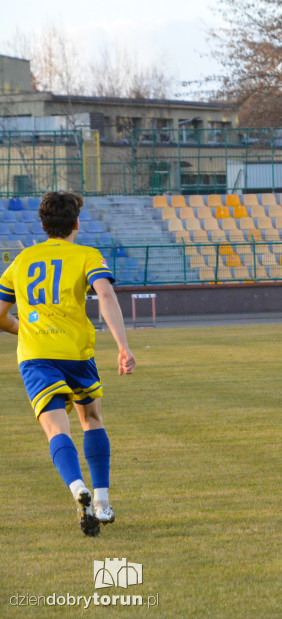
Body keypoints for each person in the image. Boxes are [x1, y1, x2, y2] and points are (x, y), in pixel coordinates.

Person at [0, 191, 135, 536]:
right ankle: (102, 502)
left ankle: (78, 489)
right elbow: (105, 294)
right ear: (76, 223)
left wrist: (24, 331)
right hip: (77, 353)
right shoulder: (87, 255)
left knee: (56, 429)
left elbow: (0, 315)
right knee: (91, 418)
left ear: (42, 225)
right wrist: (123, 346)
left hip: (36, 355)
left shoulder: (21, 261)